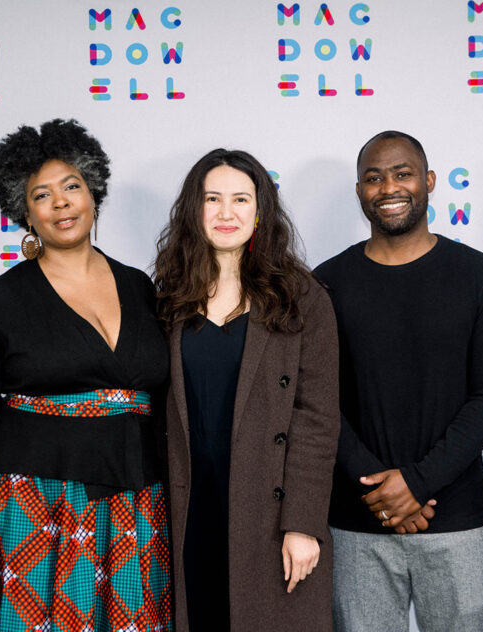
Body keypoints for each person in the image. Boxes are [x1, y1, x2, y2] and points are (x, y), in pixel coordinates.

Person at [0, 119, 171, 632]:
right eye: (42, 195)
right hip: (34, 510)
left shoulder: (142, 288)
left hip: (136, 505)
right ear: (23, 212)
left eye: (71, 186)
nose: (61, 204)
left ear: (93, 191)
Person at [313, 130, 483, 632]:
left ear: (427, 181)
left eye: (402, 174)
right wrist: (382, 492)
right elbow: (315, 401)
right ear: (359, 191)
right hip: (358, 525)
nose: (389, 188)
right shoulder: (325, 283)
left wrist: (416, 483)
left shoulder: (479, 276)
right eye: (373, 178)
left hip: (458, 525)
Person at [153, 148, 340, 631]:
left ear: (261, 211)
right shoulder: (167, 296)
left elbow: (317, 420)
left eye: (240, 199)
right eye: (212, 199)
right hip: (187, 506)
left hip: (269, 509)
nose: (226, 212)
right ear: (194, 211)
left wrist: (302, 523)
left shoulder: (301, 297)